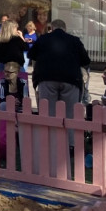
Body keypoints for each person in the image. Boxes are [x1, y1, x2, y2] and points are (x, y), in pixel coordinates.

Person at [30, 19, 90, 148]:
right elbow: (86, 60)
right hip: (70, 79)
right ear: (65, 28)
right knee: (70, 113)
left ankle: (50, 143)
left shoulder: (43, 38)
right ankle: (70, 145)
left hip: (47, 78)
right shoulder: (74, 40)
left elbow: (32, 54)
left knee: (49, 112)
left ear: (52, 27)